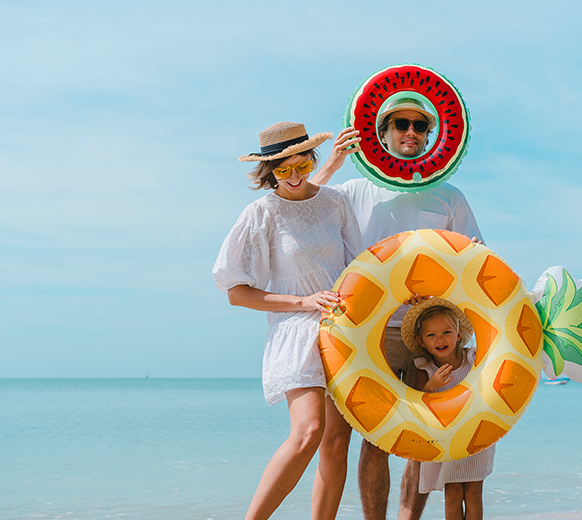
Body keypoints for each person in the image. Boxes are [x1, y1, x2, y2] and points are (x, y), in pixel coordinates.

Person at [310, 97, 486, 520]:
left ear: (430, 137)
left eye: (420, 127)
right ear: (383, 133)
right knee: (372, 435)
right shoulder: (354, 190)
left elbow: (474, 260)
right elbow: (301, 212)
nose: (411, 132)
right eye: (401, 124)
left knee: (418, 430)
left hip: (429, 328)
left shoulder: (449, 196)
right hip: (362, 328)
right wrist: (331, 164)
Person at [212, 121, 362, 520]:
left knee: (336, 441)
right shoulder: (260, 213)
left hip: (342, 330)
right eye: (283, 170)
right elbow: (235, 292)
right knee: (308, 431)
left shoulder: (335, 202)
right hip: (296, 330)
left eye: (302, 165)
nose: (294, 177)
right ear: (268, 173)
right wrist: (303, 301)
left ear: (312, 159)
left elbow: (358, 268)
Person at [401, 295, 495, 520]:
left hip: (475, 434)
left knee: (473, 491)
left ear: (458, 335)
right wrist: (432, 385)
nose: (439, 339)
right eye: (431, 335)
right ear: (422, 341)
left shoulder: (471, 359)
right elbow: (417, 402)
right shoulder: (425, 368)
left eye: (446, 333)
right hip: (448, 438)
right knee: (452, 493)